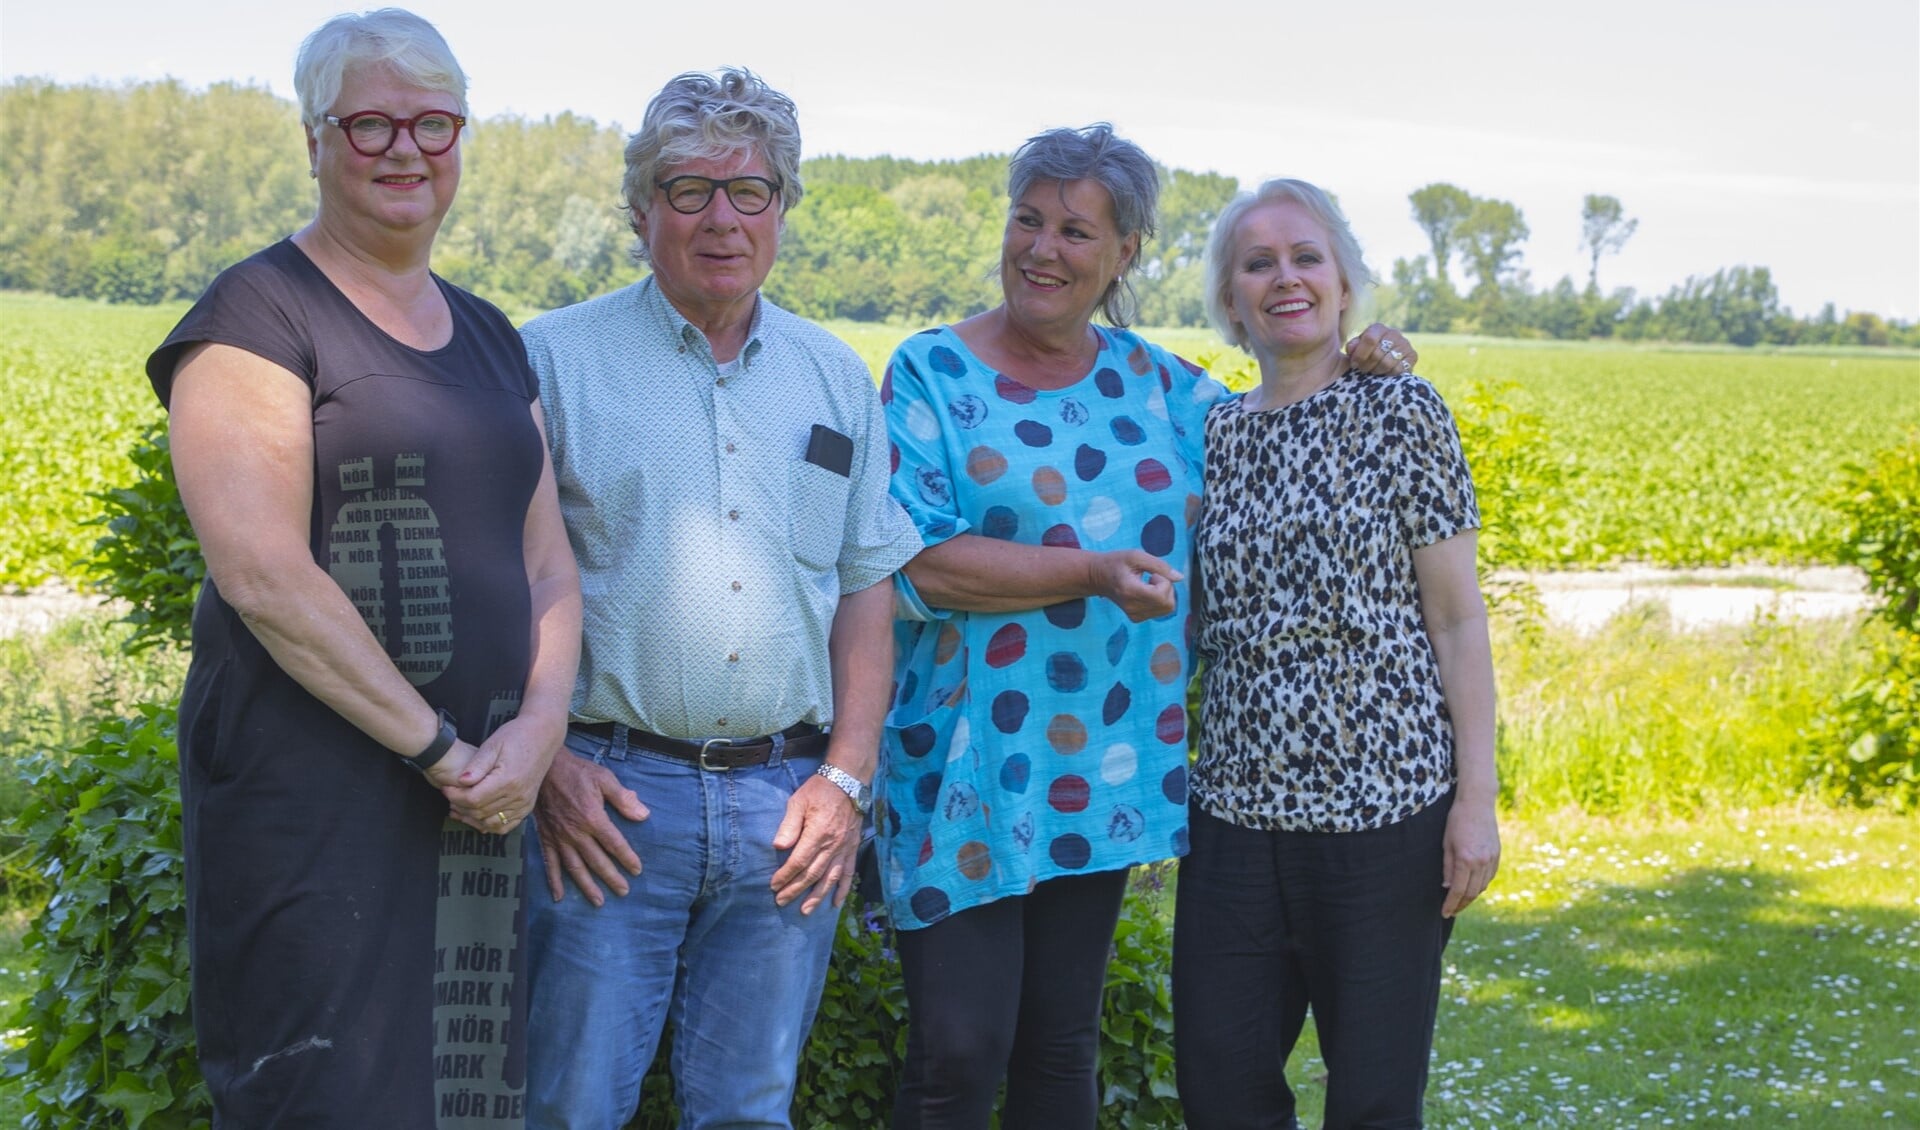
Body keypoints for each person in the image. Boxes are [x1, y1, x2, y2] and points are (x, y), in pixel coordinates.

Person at [877, 126, 1418, 1130]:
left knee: (1059, 1045)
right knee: (960, 1046)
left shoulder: (1162, 387)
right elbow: (918, 559)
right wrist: (1086, 570)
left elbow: (1281, 426)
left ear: (1123, 254)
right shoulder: (931, 374)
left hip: (1101, 759)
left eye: (1076, 230)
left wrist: (1361, 355)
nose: (1042, 248)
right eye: (1027, 219)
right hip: (963, 764)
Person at [146, 9, 580, 1126]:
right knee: (326, 1085)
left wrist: (535, 735)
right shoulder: (257, 313)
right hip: (319, 796)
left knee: (464, 1095)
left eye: (434, 122)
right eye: (371, 121)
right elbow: (262, 575)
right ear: (314, 139)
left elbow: (549, 570)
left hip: (478, 801)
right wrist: (439, 747)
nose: (406, 148)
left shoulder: (493, 336)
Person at [516, 68, 923, 1128]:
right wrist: (544, 759)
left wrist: (845, 780)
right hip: (607, 799)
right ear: (642, 207)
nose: (721, 218)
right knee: (571, 1107)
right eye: (688, 189)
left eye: (751, 192)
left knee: (749, 1110)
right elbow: (500, 583)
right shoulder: (552, 360)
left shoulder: (836, 378)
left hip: (788, 810)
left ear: (784, 208)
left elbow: (866, 590)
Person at [1174, 177, 1500, 1130]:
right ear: (1231, 298)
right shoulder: (1214, 435)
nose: (1286, 279)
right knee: (1221, 1094)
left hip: (1386, 818)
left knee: (1371, 1103)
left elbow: (1457, 620)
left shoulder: (1403, 413)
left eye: (1306, 257)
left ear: (1345, 283)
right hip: (1234, 819)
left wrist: (1474, 802)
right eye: (1258, 263)